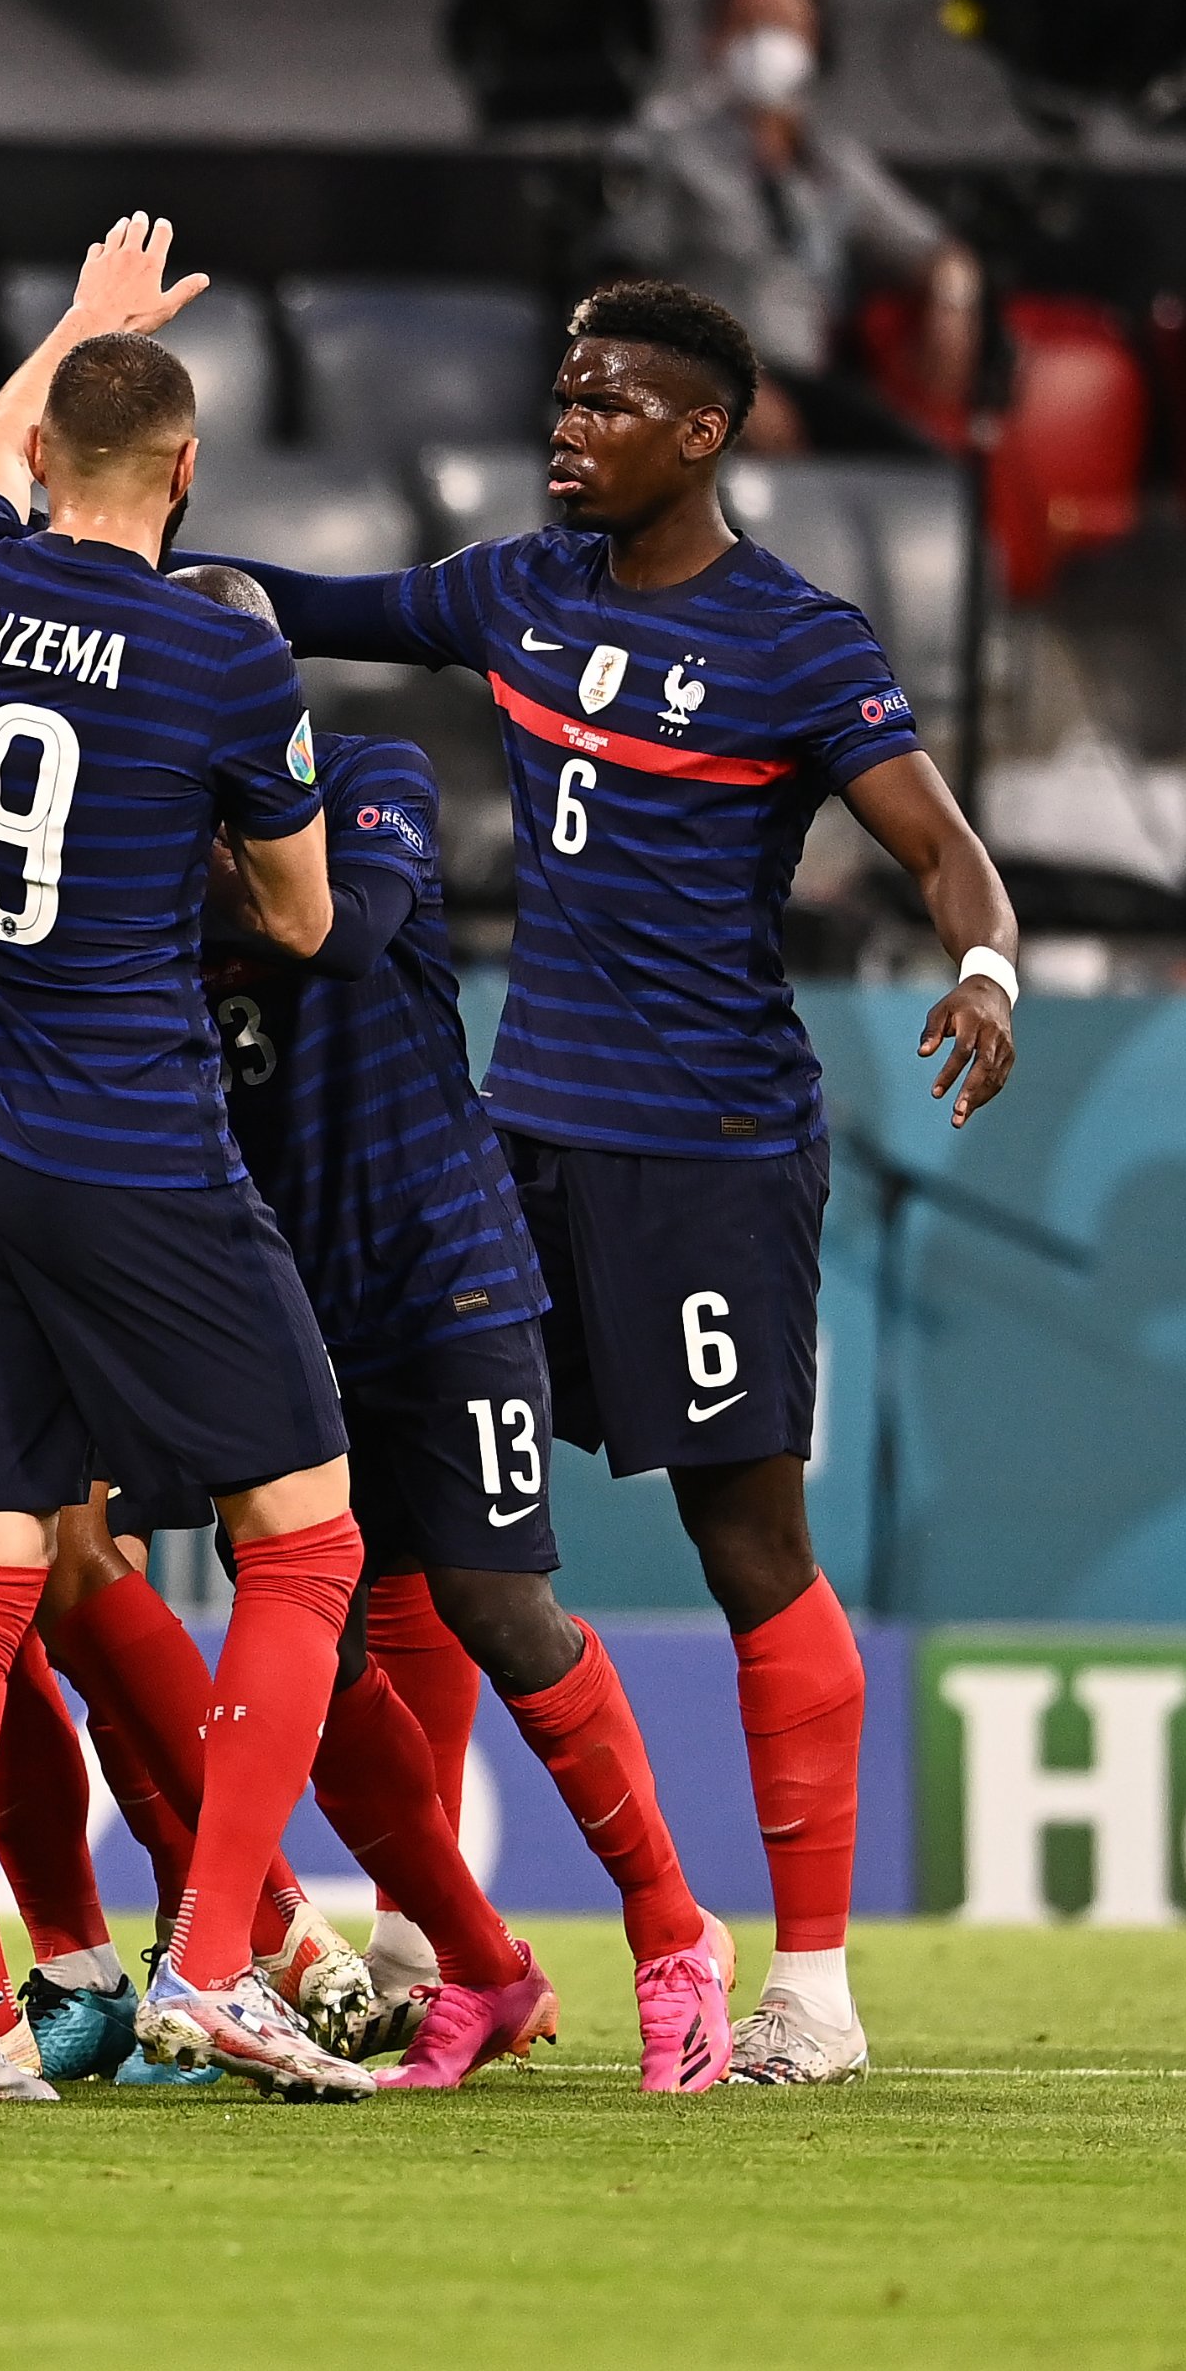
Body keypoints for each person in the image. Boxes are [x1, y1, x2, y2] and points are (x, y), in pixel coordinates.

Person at [216, 278, 1021, 2090]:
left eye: (606, 404)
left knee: (749, 1545)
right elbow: (306, 604)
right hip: (520, 1145)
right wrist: (107, 555)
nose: (565, 427)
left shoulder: (795, 640)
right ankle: (425, 1943)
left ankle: (813, 1987)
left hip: (709, 1155)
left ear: (701, 434)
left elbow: (942, 845)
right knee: (423, 1534)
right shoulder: (517, 589)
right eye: (563, 396)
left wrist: (986, 969)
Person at [0, 233, 383, 2105]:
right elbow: (305, 919)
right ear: (185, 471)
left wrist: (75, 325)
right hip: (133, 1143)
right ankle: (218, 1963)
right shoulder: (223, 650)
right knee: (306, 1536)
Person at [171, 567, 733, 2094]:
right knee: (315, 1649)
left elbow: (347, 934)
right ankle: (478, 1961)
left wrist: (180, 870)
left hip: (447, 1271)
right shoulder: (148, 828)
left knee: (499, 1600)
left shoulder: (376, 779)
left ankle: (675, 1932)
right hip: (285, 1296)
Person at [601, 0, 980, 461]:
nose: (766, 42)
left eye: (784, 26)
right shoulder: (667, 147)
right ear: (713, 40)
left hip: (805, 382)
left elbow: (934, 250)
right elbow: (620, 289)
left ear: (814, 46)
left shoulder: (832, 164)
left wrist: (952, 301)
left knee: (925, 472)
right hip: (697, 379)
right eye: (747, 24)